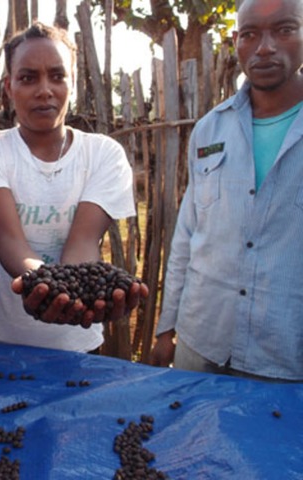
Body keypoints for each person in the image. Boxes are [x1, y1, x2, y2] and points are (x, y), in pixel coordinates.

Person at [0, 22, 146, 353]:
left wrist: (69, 292)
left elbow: (82, 243)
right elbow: (10, 242)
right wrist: (48, 286)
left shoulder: (103, 155)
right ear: (8, 87)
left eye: (57, 76)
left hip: (77, 343)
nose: (44, 90)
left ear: (72, 83)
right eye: (28, 78)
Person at [150, 0, 303, 382]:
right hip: (202, 344)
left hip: (285, 356)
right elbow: (187, 233)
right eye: (250, 34)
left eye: (284, 30)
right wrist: (167, 328)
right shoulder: (209, 131)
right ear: (235, 42)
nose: (265, 47)